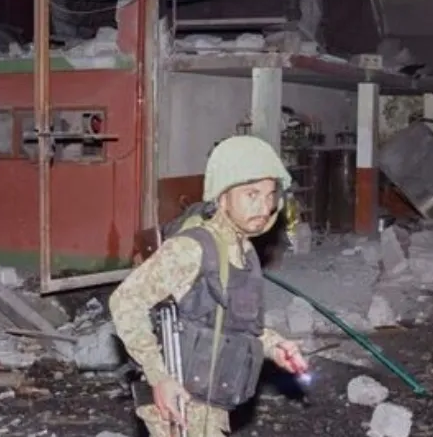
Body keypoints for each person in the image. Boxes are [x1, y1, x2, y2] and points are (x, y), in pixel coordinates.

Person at [109, 135, 308, 437]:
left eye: (269, 195)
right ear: (223, 196)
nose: (264, 206)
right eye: (251, 194)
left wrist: (272, 345)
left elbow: (233, 324)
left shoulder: (243, 250)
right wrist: (158, 376)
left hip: (211, 407)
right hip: (179, 406)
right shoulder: (193, 248)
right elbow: (125, 302)